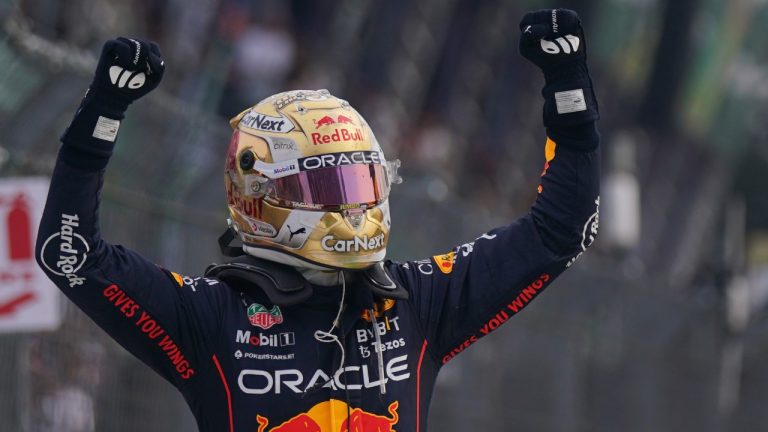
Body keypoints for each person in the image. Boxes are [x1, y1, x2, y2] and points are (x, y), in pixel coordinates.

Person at [36, 8, 600, 432]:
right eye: (327, 187)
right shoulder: (209, 316)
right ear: (259, 195)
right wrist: (101, 117)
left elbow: (561, 230)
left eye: (360, 184)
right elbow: (71, 255)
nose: (351, 208)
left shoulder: (415, 302)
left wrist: (570, 96)